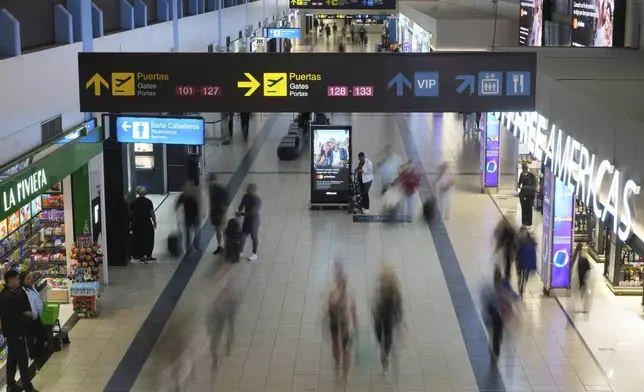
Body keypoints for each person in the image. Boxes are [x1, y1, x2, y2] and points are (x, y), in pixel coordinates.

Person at [0, 270, 37, 392]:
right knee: (22, 359)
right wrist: (26, 315)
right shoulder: (8, 297)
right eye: (16, 278)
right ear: (10, 280)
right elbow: (14, 316)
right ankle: (28, 386)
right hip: (16, 332)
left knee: (12, 358)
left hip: (11, 333)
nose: (19, 280)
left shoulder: (6, 293)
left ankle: (10, 384)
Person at [326, 261, 357, 371]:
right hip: (344, 323)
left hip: (336, 321)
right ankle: (343, 367)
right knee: (344, 347)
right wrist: (355, 323)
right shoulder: (349, 294)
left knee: (336, 343)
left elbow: (329, 307)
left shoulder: (332, 292)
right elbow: (353, 311)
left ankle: (338, 363)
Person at [373, 264, 403, 371]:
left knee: (387, 335)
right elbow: (376, 300)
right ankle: (383, 347)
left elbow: (398, 307)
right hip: (380, 315)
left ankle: (385, 353)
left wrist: (398, 319)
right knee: (379, 333)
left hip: (388, 317)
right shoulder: (381, 288)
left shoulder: (395, 293)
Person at [484, 267, 514, 358]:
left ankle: (496, 347)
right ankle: (496, 348)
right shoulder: (498, 288)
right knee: (498, 332)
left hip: (496, 314)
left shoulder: (495, 288)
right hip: (498, 314)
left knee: (496, 332)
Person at [20, 272, 47, 362]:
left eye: (30, 277)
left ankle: (38, 353)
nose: (30, 279)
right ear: (22, 281)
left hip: (35, 316)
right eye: (27, 278)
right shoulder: (22, 292)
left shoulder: (31, 288)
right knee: (31, 337)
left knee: (41, 334)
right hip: (29, 319)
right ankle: (34, 355)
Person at [130, 186, 157, 264]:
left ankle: (141, 255)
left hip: (138, 223)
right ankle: (148, 255)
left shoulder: (134, 202)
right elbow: (152, 213)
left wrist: (132, 223)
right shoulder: (148, 201)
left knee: (140, 239)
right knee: (150, 238)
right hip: (146, 222)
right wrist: (154, 222)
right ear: (143, 192)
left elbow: (131, 214)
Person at [176, 181, 201, 254]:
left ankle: (194, 246)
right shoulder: (185, 196)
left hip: (193, 217)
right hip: (189, 217)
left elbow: (199, 204)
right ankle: (190, 248)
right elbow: (177, 205)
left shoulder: (194, 194)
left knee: (195, 232)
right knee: (189, 233)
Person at [237, 183, 261, 261]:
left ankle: (254, 253)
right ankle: (240, 251)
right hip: (248, 220)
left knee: (253, 236)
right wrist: (239, 210)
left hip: (254, 221)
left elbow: (253, 211)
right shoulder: (246, 196)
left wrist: (241, 213)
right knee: (243, 235)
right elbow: (241, 205)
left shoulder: (257, 200)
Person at [208, 173, 229, 255]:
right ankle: (220, 246)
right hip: (215, 212)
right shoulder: (211, 189)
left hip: (220, 212)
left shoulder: (220, 190)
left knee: (222, 229)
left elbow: (223, 204)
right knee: (218, 229)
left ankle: (226, 246)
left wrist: (221, 214)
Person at [516, 229, 537, 298]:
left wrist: (517, 260)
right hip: (527, 264)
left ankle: (520, 286)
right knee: (525, 277)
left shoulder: (521, 242)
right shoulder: (532, 243)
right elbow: (533, 256)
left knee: (520, 275)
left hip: (521, 262)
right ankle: (522, 287)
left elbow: (518, 252)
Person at [517, 164, 537, 228]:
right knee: (523, 209)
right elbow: (519, 183)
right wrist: (519, 186)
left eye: (525, 169)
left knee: (529, 208)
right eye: (523, 169)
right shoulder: (521, 175)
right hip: (523, 194)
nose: (524, 170)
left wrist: (525, 187)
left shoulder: (532, 176)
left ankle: (529, 223)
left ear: (527, 169)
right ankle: (524, 223)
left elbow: (534, 186)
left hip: (530, 195)